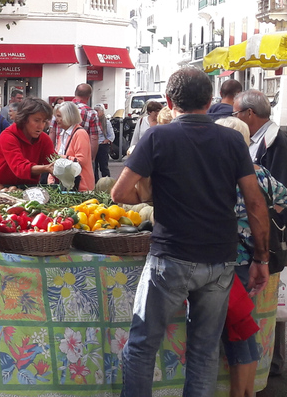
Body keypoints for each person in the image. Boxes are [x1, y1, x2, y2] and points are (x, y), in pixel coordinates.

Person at [111, 66, 270, 397]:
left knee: (141, 347)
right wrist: (261, 258)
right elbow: (256, 204)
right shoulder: (232, 140)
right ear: (210, 101)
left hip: (171, 257)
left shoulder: (158, 136)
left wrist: (160, 193)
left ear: (169, 101)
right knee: (203, 352)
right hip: (219, 260)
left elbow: (119, 194)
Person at [216, 116, 287, 397]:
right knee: (244, 327)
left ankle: (240, 393)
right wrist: (268, 217)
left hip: (230, 262)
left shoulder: (224, 174)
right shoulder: (260, 171)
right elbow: (283, 198)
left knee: (237, 331)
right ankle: (247, 391)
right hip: (257, 260)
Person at [232, 88, 287, 377]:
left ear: (248, 114)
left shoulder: (277, 142)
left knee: (256, 317)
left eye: (236, 112)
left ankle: (273, 367)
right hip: (254, 249)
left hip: (258, 248)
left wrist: (263, 218)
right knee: (249, 319)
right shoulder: (258, 141)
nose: (235, 116)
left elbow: (277, 196)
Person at [0, 98, 56, 186]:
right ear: (24, 119)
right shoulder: (8, 136)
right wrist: (46, 168)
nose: (41, 126)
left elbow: (54, 161)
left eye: (44, 121)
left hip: (28, 190)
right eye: (36, 120)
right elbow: (19, 167)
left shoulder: (44, 139)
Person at [49, 83, 102, 159]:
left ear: (75, 93)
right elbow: (94, 138)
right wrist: (91, 158)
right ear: (89, 97)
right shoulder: (91, 113)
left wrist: (51, 153)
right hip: (80, 156)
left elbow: (52, 132)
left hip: (60, 154)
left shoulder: (60, 109)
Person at [51, 101, 95, 191]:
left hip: (80, 187)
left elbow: (81, 161)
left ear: (68, 116)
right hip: (65, 187)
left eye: (59, 116)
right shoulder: (63, 134)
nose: (56, 119)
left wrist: (58, 157)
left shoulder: (80, 133)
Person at [93, 104, 114, 181]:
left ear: (102, 112)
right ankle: (95, 183)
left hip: (102, 146)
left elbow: (111, 135)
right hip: (94, 145)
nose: (96, 113)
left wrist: (106, 141)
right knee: (94, 166)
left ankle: (107, 183)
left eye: (97, 111)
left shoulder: (106, 122)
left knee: (103, 166)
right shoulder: (93, 121)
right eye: (94, 111)